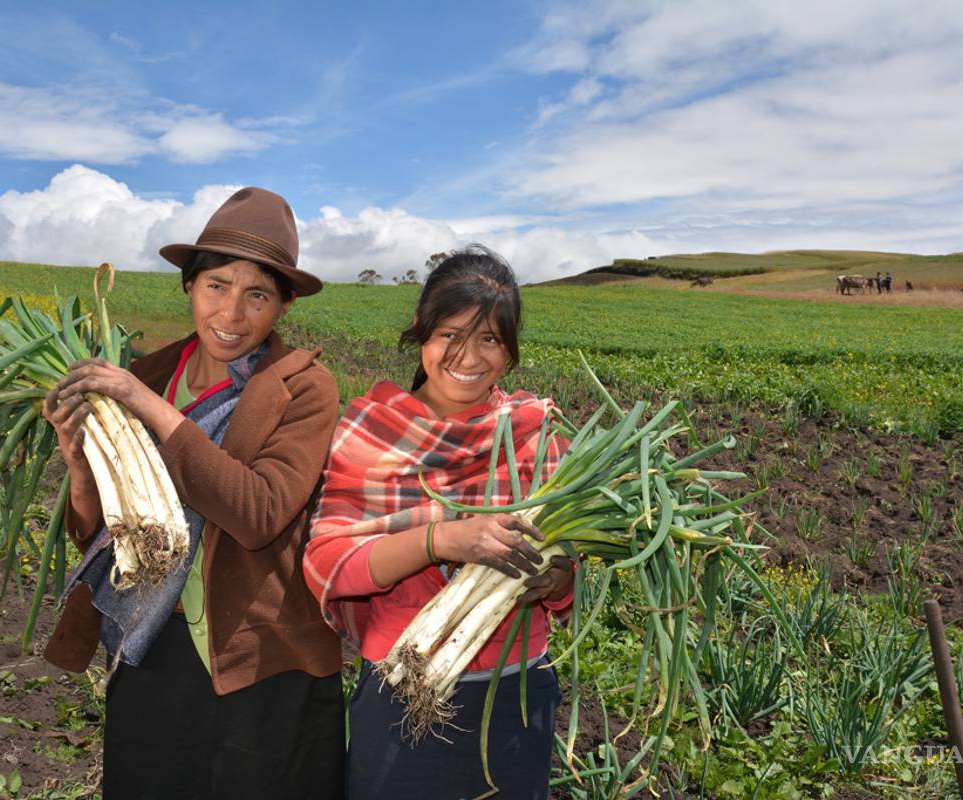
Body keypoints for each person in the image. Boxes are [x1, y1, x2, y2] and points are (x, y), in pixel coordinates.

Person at [42, 187, 344, 799]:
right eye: (216, 286)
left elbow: (258, 514)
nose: (232, 313)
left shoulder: (305, 388)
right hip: (154, 639)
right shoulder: (149, 373)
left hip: (261, 653)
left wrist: (149, 408)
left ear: (283, 305)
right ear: (188, 286)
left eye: (257, 293)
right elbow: (97, 529)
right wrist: (78, 467)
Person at [303, 246, 575, 800]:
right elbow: (327, 562)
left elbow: (572, 571)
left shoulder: (538, 433)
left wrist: (557, 581)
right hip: (403, 687)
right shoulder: (371, 430)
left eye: (489, 339)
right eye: (450, 333)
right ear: (420, 332)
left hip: (517, 691)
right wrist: (440, 539)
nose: (467, 356)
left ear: (511, 352)